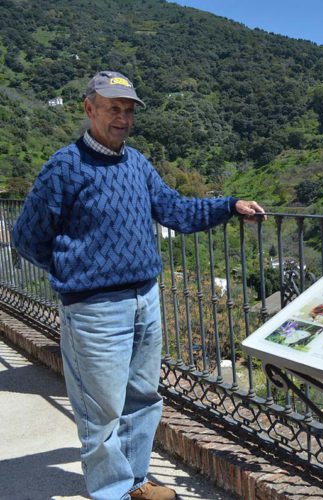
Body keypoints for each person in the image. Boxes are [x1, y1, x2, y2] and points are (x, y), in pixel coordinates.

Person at [12, 70, 265, 500]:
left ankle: (136, 482)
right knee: (100, 411)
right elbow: (26, 238)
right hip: (94, 309)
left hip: (145, 300)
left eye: (128, 110)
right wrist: (74, 276)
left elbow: (176, 210)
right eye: (114, 108)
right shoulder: (65, 167)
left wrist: (229, 206)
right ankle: (110, 491)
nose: (122, 118)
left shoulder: (137, 163)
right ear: (89, 108)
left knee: (143, 399)